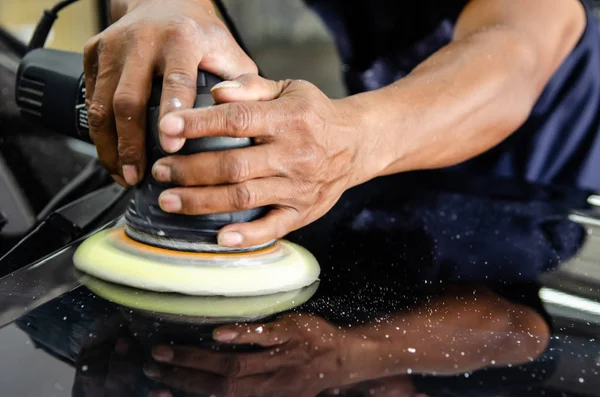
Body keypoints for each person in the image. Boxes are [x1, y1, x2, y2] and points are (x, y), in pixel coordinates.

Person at [84, 0, 593, 249]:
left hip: (545, 147)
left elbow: (521, 43)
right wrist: (165, 10)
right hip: (388, 107)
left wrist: (354, 139)